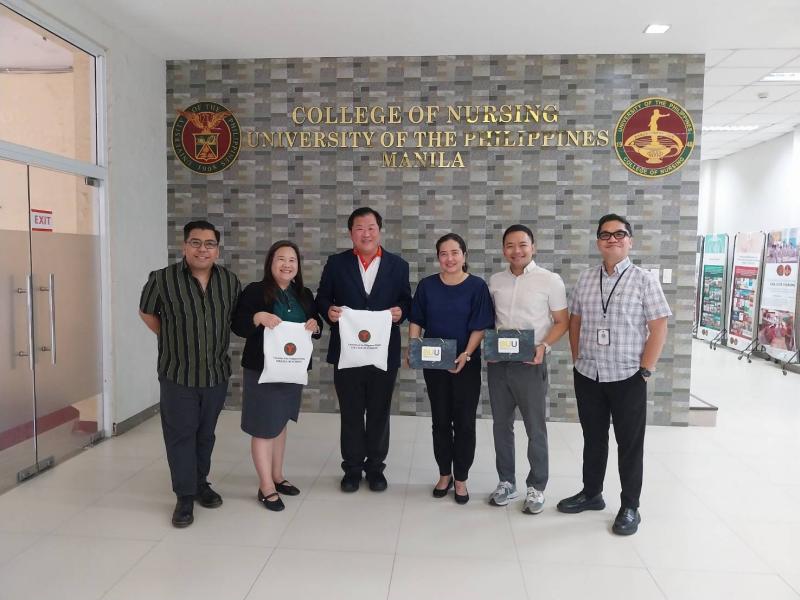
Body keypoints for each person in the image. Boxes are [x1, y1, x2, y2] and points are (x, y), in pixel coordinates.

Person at [557, 213, 670, 536]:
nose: (612, 239)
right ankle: (591, 493)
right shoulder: (586, 279)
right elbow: (575, 320)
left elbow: (659, 326)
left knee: (629, 444)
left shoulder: (644, 280)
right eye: (605, 235)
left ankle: (630, 505)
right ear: (598, 242)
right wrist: (578, 359)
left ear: (629, 241)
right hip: (589, 374)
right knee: (593, 439)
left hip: (627, 376)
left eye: (619, 234)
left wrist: (645, 370)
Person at [139, 220, 241, 528]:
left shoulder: (229, 281)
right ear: (184, 246)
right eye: (195, 243)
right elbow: (147, 312)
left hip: (216, 373)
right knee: (181, 435)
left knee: (205, 434)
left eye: (209, 244)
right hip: (178, 374)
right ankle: (184, 497)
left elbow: (235, 319)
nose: (202, 249)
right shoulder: (162, 279)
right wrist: (172, 339)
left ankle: (200, 483)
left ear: (217, 249)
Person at [316, 207, 412, 493]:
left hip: (384, 352)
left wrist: (400, 312)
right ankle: (352, 468)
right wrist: (328, 311)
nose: (366, 233)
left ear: (379, 231)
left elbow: (407, 302)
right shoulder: (336, 263)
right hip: (348, 351)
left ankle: (376, 468)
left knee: (380, 411)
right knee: (351, 411)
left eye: (371, 227)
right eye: (359, 228)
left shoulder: (398, 265)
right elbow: (322, 297)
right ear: (351, 233)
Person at [231, 241, 322, 511]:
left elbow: (317, 326)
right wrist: (257, 316)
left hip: (291, 369)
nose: (287, 264)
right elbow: (238, 324)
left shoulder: (303, 294)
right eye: (280, 259)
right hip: (262, 369)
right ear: (270, 263)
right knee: (263, 427)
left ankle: (277, 476)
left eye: (292, 260)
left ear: (298, 266)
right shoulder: (256, 291)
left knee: (280, 423)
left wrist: (315, 325)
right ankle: (265, 486)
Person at [486, 224, 568, 513]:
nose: (516, 250)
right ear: (503, 249)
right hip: (498, 365)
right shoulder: (495, 281)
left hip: (530, 364)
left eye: (522, 244)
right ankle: (506, 481)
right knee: (500, 426)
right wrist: (488, 349)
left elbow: (562, 321)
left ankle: (536, 487)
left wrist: (543, 347)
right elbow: (489, 321)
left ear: (533, 247)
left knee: (535, 427)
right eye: (510, 245)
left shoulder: (550, 280)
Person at [408, 233, 494, 504]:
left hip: (465, 362)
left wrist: (467, 354)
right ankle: (444, 474)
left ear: (464, 255)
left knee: (465, 423)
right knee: (440, 421)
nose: (449, 258)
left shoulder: (477, 287)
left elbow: (480, 325)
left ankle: (461, 479)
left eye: (455, 252)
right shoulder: (426, 286)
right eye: (444, 254)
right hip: (435, 363)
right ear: (438, 258)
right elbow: (416, 320)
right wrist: (412, 348)